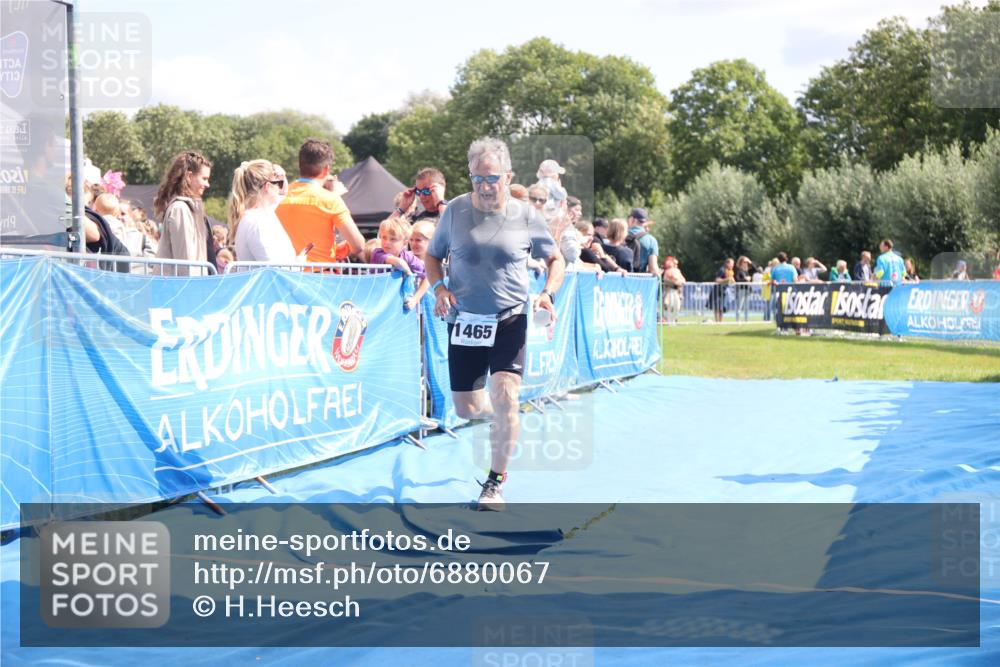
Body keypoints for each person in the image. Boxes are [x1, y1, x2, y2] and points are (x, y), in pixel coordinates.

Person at [425, 137, 565, 511]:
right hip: (466, 318)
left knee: (506, 396)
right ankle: (500, 417)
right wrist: (439, 289)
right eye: (477, 179)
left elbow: (556, 261)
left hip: (510, 317)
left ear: (508, 176)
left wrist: (547, 294)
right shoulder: (454, 212)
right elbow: (432, 255)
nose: (485, 187)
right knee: (467, 409)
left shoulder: (526, 215)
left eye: (493, 179)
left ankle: (494, 483)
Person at [276, 139, 365, 263]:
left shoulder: (279, 197)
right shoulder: (331, 200)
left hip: (287, 275)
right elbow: (358, 245)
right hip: (322, 277)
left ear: (300, 166)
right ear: (326, 169)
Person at [154, 150, 215, 276]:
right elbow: (185, 259)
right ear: (189, 176)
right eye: (204, 179)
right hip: (181, 289)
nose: (207, 184)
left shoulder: (187, 208)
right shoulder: (180, 209)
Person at [229, 159, 301, 264]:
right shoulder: (257, 223)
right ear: (267, 187)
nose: (280, 188)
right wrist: (297, 264)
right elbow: (273, 268)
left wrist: (282, 177)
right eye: (278, 184)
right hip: (273, 279)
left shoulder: (259, 216)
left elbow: (283, 193)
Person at [371, 216, 426, 311]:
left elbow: (428, 276)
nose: (386, 242)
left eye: (393, 239)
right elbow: (399, 262)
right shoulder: (377, 253)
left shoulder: (408, 256)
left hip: (397, 309)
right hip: (377, 305)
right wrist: (408, 272)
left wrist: (415, 299)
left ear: (405, 243)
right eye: (384, 237)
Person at [626, 208, 661, 277]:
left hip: (620, 281)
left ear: (632, 219)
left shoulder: (621, 235)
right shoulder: (651, 240)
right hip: (640, 283)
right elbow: (653, 268)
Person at [709, 258, 735, 322]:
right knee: (717, 308)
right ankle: (717, 322)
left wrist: (732, 280)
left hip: (724, 291)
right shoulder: (722, 270)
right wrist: (727, 279)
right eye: (731, 264)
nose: (732, 266)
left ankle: (720, 322)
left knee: (722, 308)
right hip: (717, 291)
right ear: (727, 263)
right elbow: (717, 280)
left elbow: (732, 281)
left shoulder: (730, 271)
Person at [662, 256, 686, 324]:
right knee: (669, 306)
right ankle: (669, 320)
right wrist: (676, 282)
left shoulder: (677, 271)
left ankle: (673, 320)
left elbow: (683, 280)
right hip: (669, 291)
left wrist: (678, 282)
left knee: (677, 306)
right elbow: (668, 281)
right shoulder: (667, 271)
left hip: (675, 292)